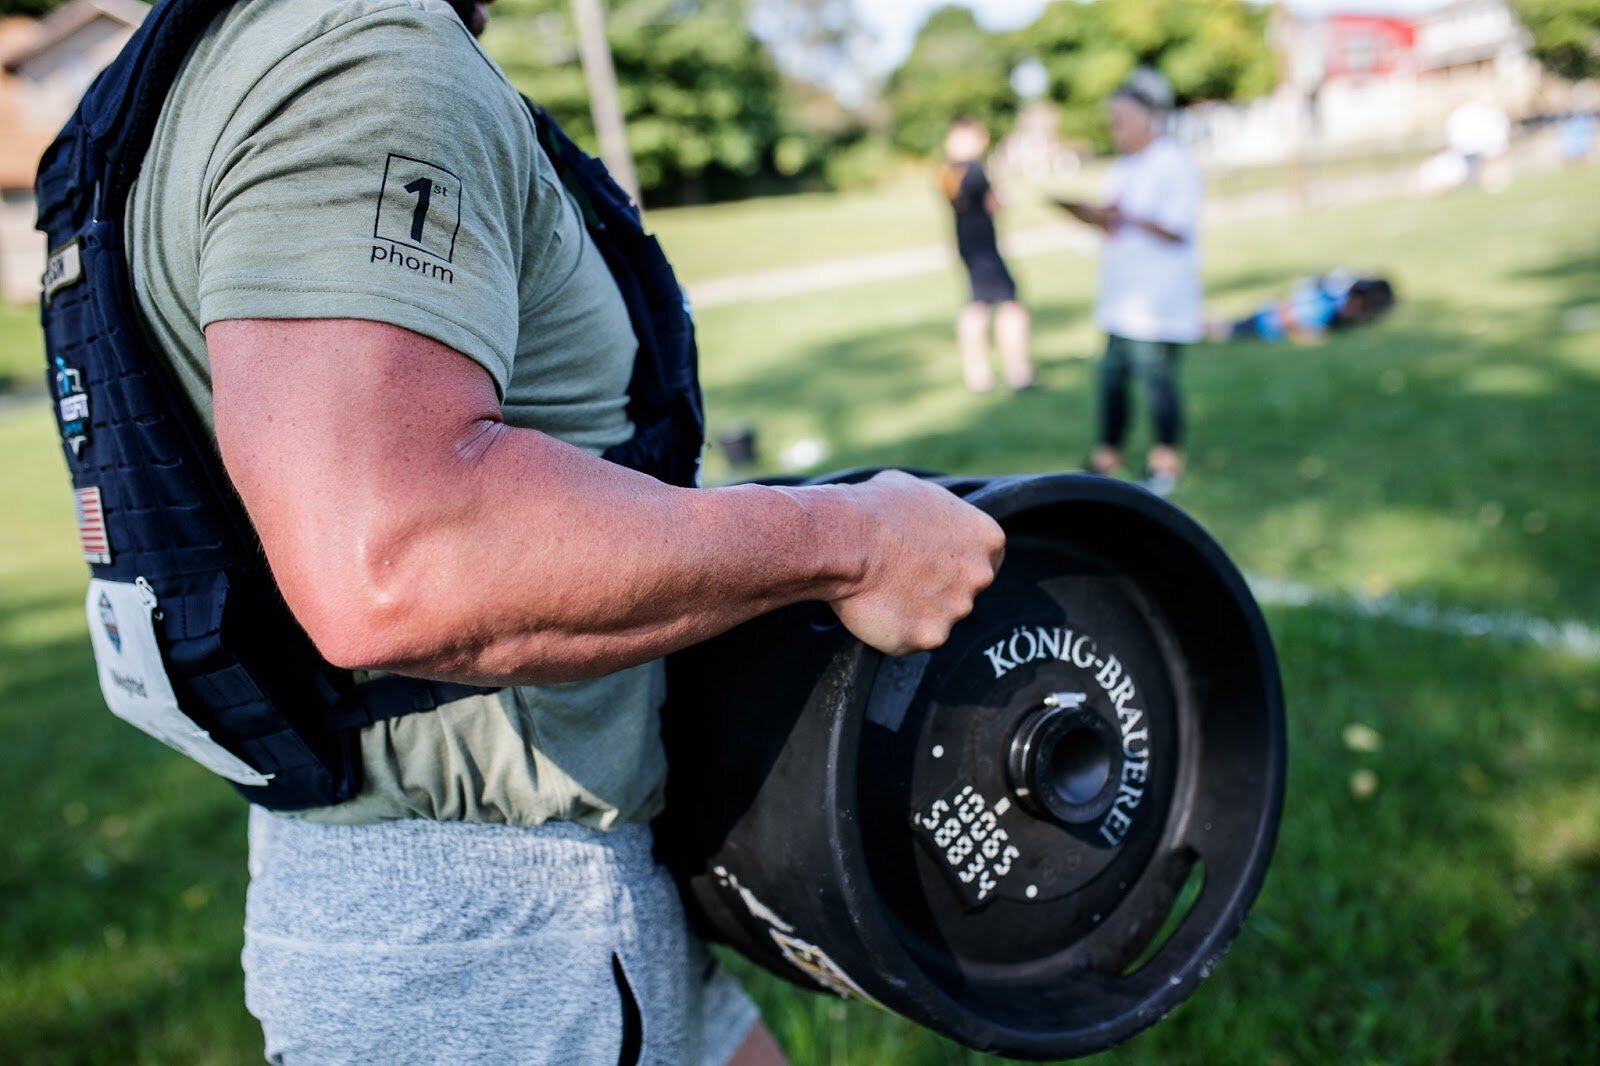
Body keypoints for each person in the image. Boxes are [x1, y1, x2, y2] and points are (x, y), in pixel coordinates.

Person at [123, 0, 1006, 1063]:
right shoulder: (368, 63)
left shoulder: (222, 54)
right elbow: (398, 558)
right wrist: (847, 539)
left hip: (511, 868)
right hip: (503, 919)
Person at [1053, 68, 1202, 496]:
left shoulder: (1174, 162)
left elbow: (1176, 229)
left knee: (1157, 383)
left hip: (1159, 302)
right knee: (1111, 380)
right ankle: (1107, 457)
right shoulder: (1121, 167)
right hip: (1120, 301)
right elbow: (1111, 222)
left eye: (1120, 119)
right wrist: (1089, 215)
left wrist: (1122, 215)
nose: (1114, 128)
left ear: (1147, 118)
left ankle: (1165, 462)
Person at [940, 117, 1034, 393]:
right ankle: (1018, 373)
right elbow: (995, 205)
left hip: (968, 247)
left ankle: (977, 373)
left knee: (976, 305)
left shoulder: (947, 171)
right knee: (1009, 306)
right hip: (984, 249)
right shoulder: (974, 171)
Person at [1208, 273, 1397, 344]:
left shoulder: (1331, 296)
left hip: (1270, 317)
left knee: (1228, 327)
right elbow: (1291, 319)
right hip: (1264, 323)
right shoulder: (1322, 307)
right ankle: (1201, 329)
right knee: (1228, 329)